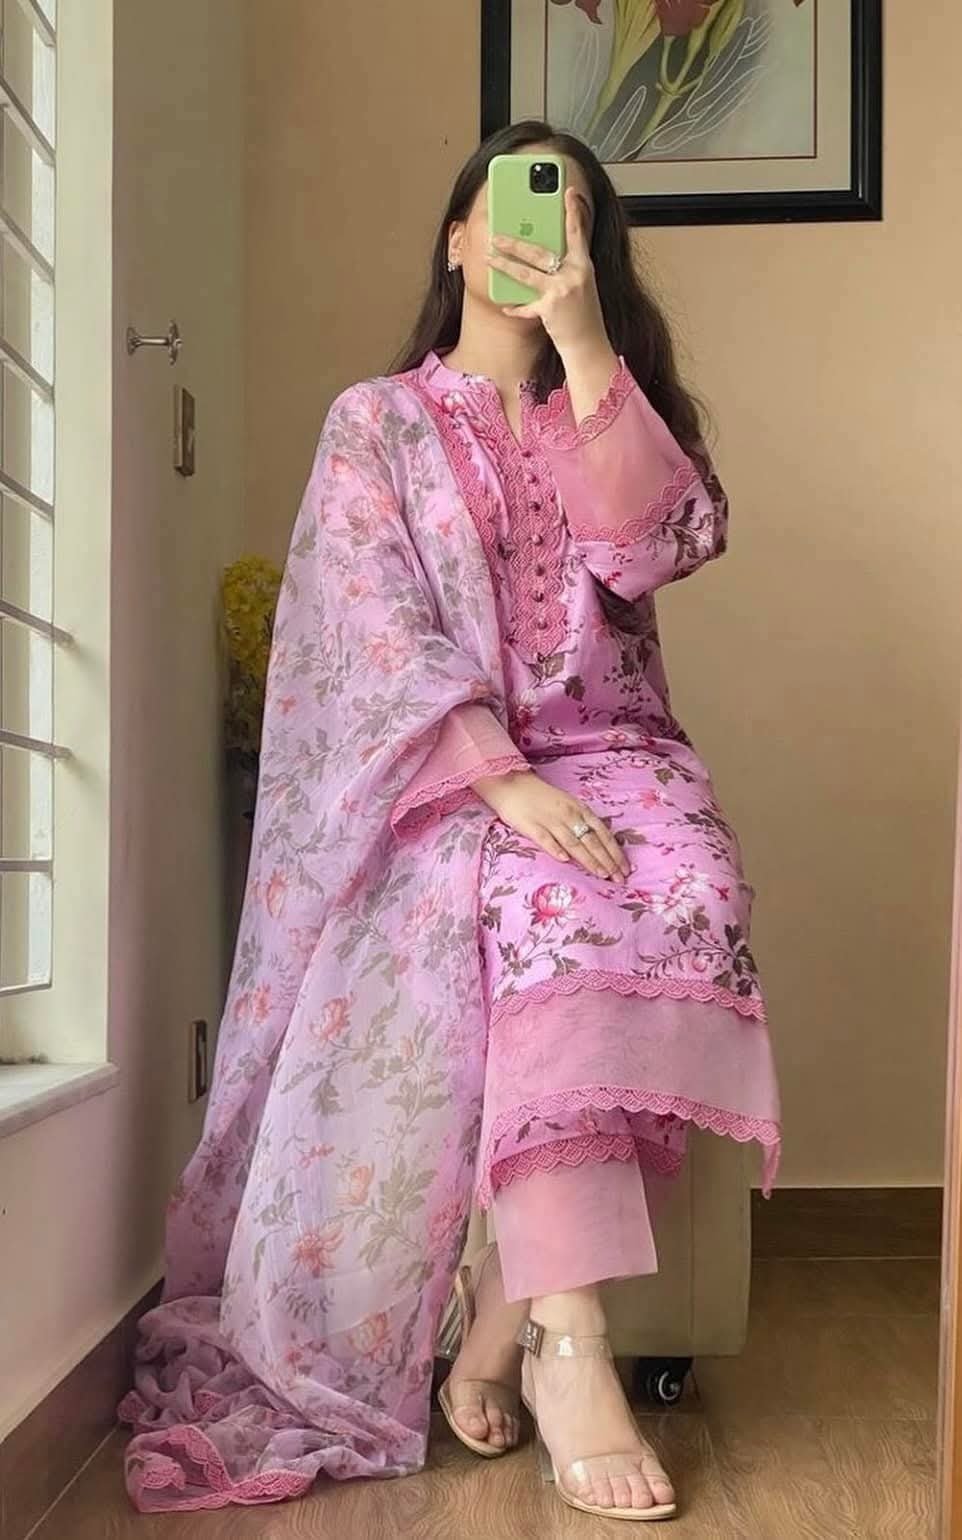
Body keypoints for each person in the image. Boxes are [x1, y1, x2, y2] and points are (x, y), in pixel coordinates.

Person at [119, 122, 781, 1523]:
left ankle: (498, 1321)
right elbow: (369, 631)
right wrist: (499, 780)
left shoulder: (610, 403)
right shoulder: (378, 422)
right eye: (517, 206)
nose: (540, 230)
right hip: (448, 773)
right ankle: (568, 1346)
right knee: (552, 927)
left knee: (689, 900)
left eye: (572, 214)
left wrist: (586, 345)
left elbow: (651, 549)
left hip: (621, 751)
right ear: (459, 240)